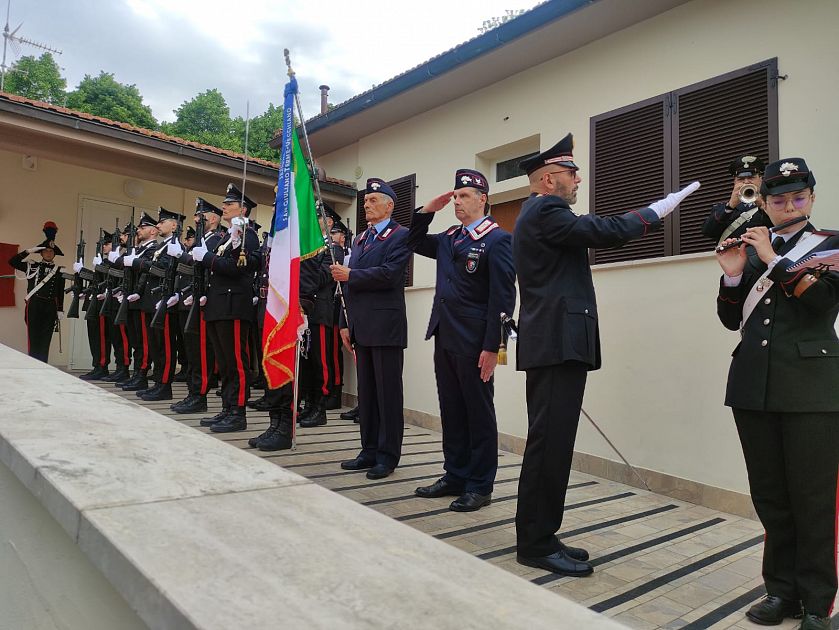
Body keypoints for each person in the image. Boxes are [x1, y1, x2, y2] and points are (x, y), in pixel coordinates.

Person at [512, 132, 699, 576]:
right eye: (571, 173)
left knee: (554, 443)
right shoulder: (546, 210)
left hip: (556, 343)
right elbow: (605, 231)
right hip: (557, 344)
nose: (578, 180)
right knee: (549, 444)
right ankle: (535, 543)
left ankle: (543, 533)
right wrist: (656, 210)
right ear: (548, 179)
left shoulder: (540, 214)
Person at [715, 157, 838, 630]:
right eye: (778, 197)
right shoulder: (750, 248)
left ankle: (817, 603)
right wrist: (731, 273)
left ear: (810, 197)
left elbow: (822, 302)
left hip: (812, 390)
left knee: (814, 500)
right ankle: (781, 592)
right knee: (771, 497)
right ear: (763, 202)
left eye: (797, 196)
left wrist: (771, 259)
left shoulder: (830, 245)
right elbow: (732, 320)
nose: (788, 204)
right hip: (753, 387)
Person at [408, 168, 516, 512]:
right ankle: (454, 473)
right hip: (445, 334)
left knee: (478, 413)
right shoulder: (450, 237)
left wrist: (494, 349)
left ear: (482, 199)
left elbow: (503, 300)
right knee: (452, 409)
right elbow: (412, 240)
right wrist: (426, 211)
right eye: (455, 196)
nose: (457, 201)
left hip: (476, 343)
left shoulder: (498, 240)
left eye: (464, 196)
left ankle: (480, 485)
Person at [331, 178, 411, 479]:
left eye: (373, 200)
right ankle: (368, 450)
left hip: (386, 326)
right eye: (365, 201)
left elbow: (391, 275)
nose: (366, 205)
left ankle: (387, 455)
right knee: (367, 393)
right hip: (361, 326)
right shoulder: (361, 239)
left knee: (387, 394)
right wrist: (344, 323)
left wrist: (351, 274)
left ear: (389, 205)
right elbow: (346, 286)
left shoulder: (400, 235)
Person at [191, 183, 260, 433]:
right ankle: (227, 408)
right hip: (218, 304)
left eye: (229, 204)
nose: (224, 207)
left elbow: (237, 268)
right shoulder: (224, 237)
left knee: (236, 362)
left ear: (243, 209)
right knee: (224, 362)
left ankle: (238, 412)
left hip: (234, 305)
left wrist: (207, 259)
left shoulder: (247, 235)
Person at [171, 199, 225, 414]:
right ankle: (193, 392)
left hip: (206, 301)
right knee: (193, 350)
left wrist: (181, 255)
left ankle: (199, 395)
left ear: (213, 218)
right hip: (194, 298)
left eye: (200, 216)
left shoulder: (217, 239)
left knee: (202, 351)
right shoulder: (205, 239)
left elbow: (201, 263)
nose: (195, 220)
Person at [8, 222, 65, 362]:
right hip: (35, 305)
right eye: (45, 251)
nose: (48, 253)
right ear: (40, 252)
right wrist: (28, 251)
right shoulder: (32, 265)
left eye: (51, 251)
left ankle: (43, 366)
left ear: (54, 253)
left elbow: (60, 291)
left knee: (46, 339)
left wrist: (60, 309)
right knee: (33, 338)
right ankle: (33, 365)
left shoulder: (59, 270)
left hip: (50, 307)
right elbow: (12, 262)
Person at [702, 155, 771, 244]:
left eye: (751, 178)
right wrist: (730, 206)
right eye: (740, 179)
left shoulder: (772, 204)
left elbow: (779, 227)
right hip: (733, 256)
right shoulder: (722, 209)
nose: (746, 182)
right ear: (734, 182)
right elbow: (708, 232)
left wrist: (762, 205)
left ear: (761, 180)